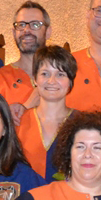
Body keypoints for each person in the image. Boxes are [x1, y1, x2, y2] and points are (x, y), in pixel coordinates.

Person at [14, 45, 76, 180]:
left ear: (71, 81)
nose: (51, 81)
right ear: (35, 79)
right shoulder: (17, 122)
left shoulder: (82, 124)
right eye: (45, 74)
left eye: (60, 74)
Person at [0, 1, 50, 109]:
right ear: (13, 33)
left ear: (48, 32)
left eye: (35, 25)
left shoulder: (63, 78)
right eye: (21, 25)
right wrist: (26, 107)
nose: (27, 30)